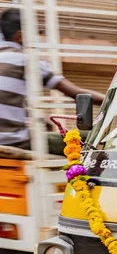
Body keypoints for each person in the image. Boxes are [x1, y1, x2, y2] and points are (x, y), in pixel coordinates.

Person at [0, 8, 104, 149]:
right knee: (89, 140)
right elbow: (77, 94)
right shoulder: (27, 60)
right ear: (20, 36)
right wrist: (114, 100)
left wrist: (42, 118)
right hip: (14, 141)